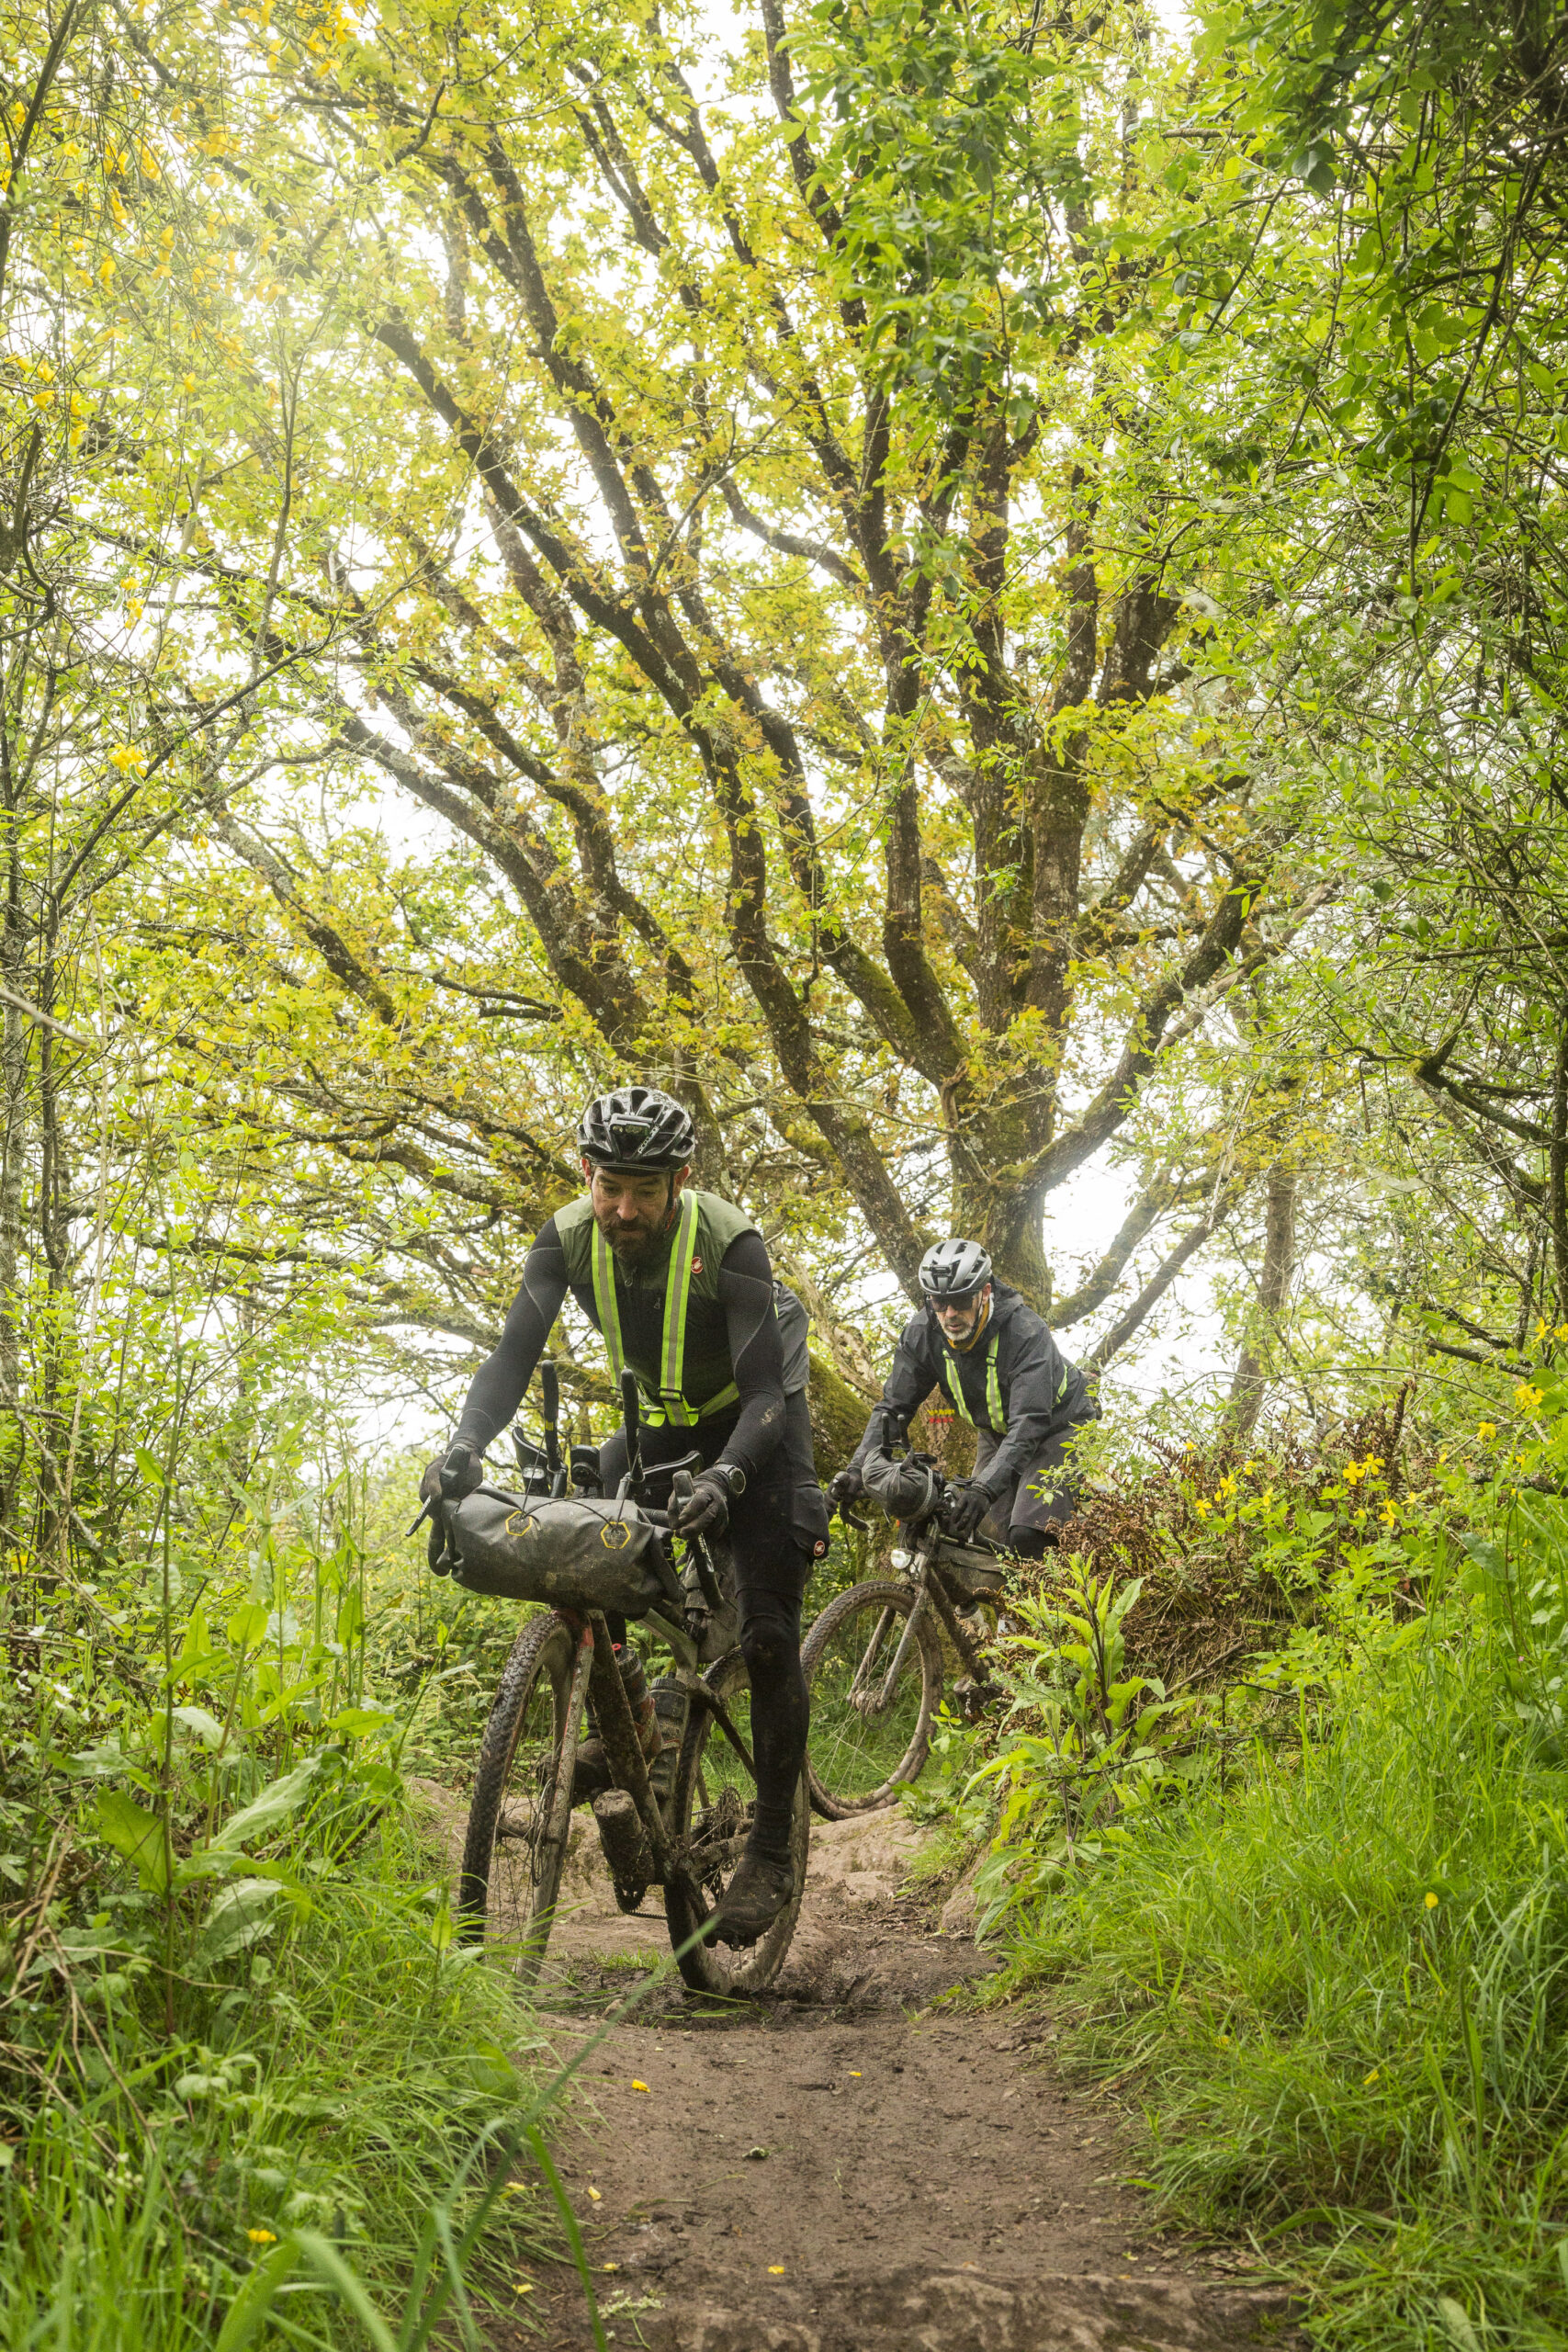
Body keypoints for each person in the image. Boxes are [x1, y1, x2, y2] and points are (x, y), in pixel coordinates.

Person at [422, 1083, 828, 1947]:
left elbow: (765, 1395)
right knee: (578, 1551)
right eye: (611, 1187)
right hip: (657, 1430)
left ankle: (771, 1848)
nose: (625, 1209)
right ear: (586, 1172)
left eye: (646, 1190)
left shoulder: (730, 1244)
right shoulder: (566, 1238)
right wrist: (463, 1444)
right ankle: (633, 1725)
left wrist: (728, 1476)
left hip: (757, 1432)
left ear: (681, 1179)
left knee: (765, 1635)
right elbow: (511, 1355)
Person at [829, 1238, 1096, 1557]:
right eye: (939, 1303)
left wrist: (985, 1488)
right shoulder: (922, 1333)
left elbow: (1030, 1422)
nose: (950, 1314)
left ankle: (1074, 1572)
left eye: (961, 1301)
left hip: (1060, 1427)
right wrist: (857, 1469)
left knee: (1028, 1535)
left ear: (985, 1292)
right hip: (997, 1434)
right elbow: (893, 1406)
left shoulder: (1026, 1332)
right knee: (975, 1535)